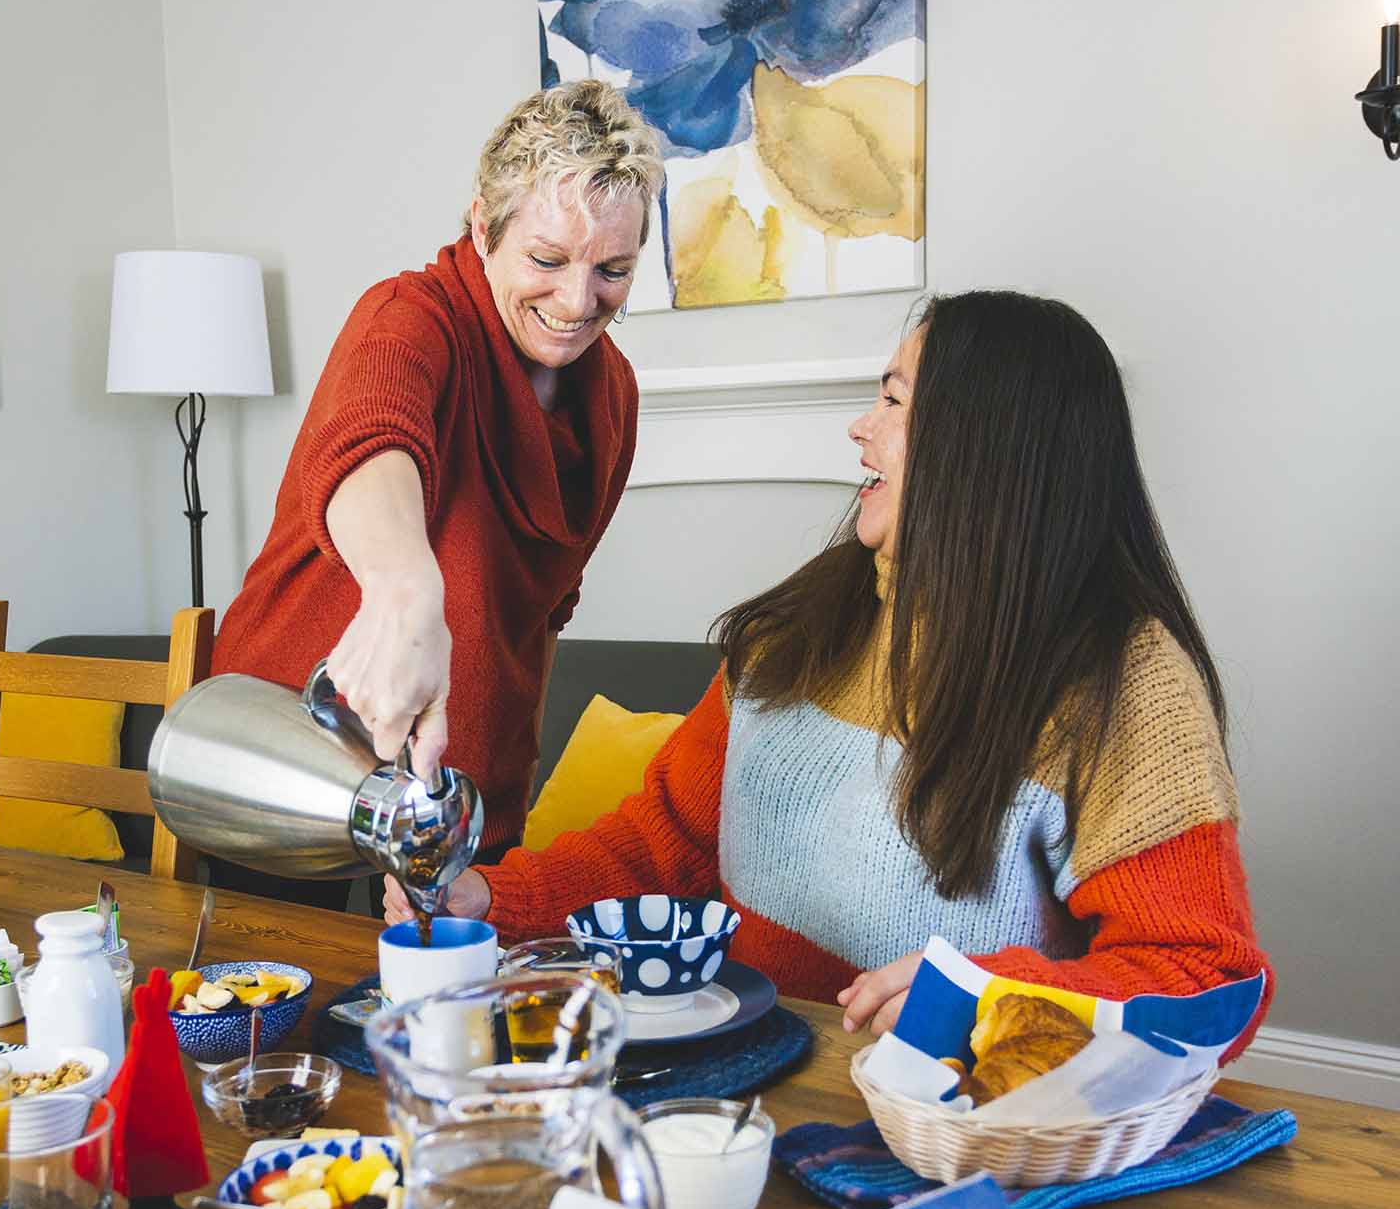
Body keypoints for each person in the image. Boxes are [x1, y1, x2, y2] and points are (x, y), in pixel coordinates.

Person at [391, 291, 1274, 1054]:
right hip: (736, 1073)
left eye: (892, 400)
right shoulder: (800, 628)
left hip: (940, 1127)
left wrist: (987, 1001)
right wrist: (488, 898)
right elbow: (668, 849)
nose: (861, 426)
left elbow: (1204, 977)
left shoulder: (1123, 681)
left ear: (983, 446)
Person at [210, 80, 664, 908]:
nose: (577, 301)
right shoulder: (406, 319)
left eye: (614, 270)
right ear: (483, 227)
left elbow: (539, 609)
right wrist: (404, 584)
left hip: (457, 791)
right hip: (292, 758)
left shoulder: (615, 394)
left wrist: (497, 769)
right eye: (548, 260)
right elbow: (369, 442)